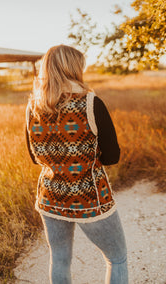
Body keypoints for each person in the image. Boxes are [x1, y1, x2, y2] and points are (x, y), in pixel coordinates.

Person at [25, 45, 128, 284]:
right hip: (90, 197)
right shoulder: (92, 103)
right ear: (73, 68)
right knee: (117, 258)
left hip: (50, 196)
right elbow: (112, 157)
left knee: (59, 258)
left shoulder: (33, 107)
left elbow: (34, 156)